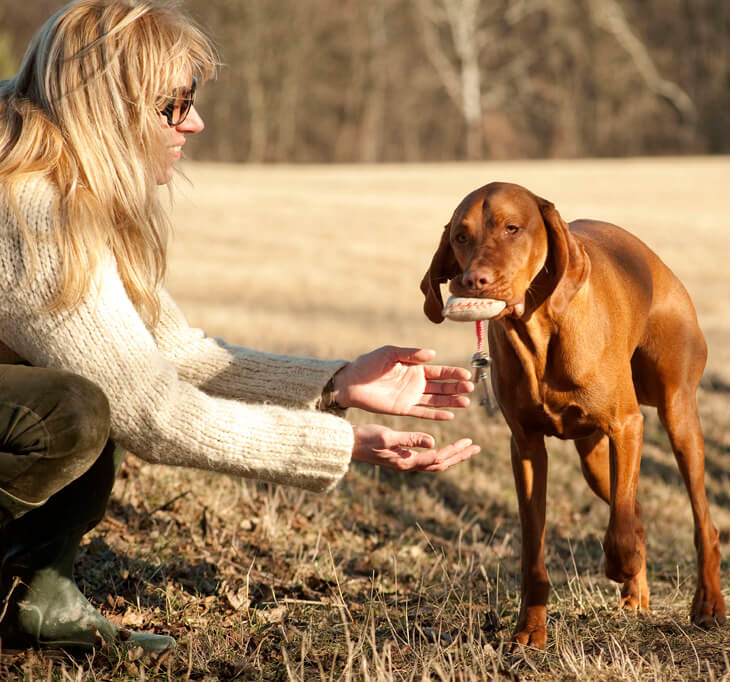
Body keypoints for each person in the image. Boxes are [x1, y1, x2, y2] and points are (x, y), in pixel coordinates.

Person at [0, 0, 479, 653]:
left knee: (80, 394)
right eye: (174, 104)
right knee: (70, 411)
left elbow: (167, 351)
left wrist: (335, 383)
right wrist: (342, 445)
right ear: (109, 108)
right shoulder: (32, 208)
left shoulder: (63, 175)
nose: (194, 123)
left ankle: (39, 602)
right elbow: (155, 414)